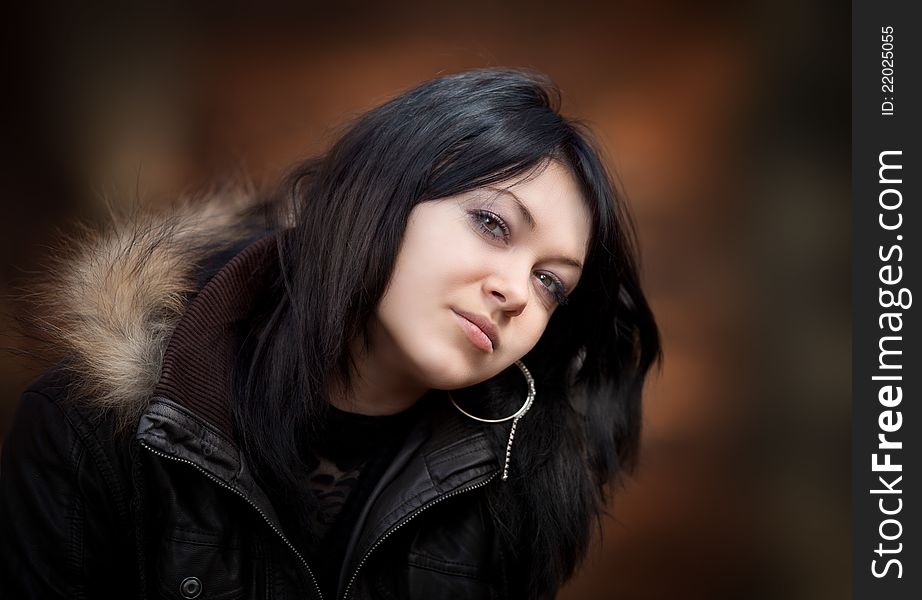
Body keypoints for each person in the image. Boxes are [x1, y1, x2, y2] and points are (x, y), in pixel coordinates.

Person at [0, 68, 660, 599]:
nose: (516, 292)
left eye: (552, 282)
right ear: (379, 193)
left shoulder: (519, 490)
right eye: (492, 224)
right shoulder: (90, 430)